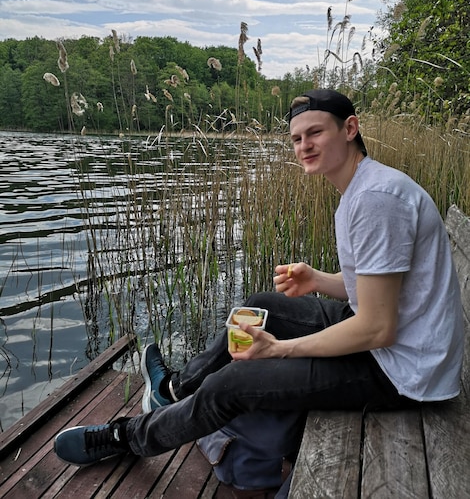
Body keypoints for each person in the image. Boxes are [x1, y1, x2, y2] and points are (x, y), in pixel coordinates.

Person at [54, 88, 464, 472]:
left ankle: (126, 437)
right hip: (398, 345)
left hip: (402, 375)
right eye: (296, 138)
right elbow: (379, 291)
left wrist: (282, 350)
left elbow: (377, 326)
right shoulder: (364, 189)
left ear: (350, 129)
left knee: (234, 383)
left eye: (315, 132)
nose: (304, 146)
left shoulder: (377, 200)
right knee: (258, 306)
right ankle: (173, 392)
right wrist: (319, 279)